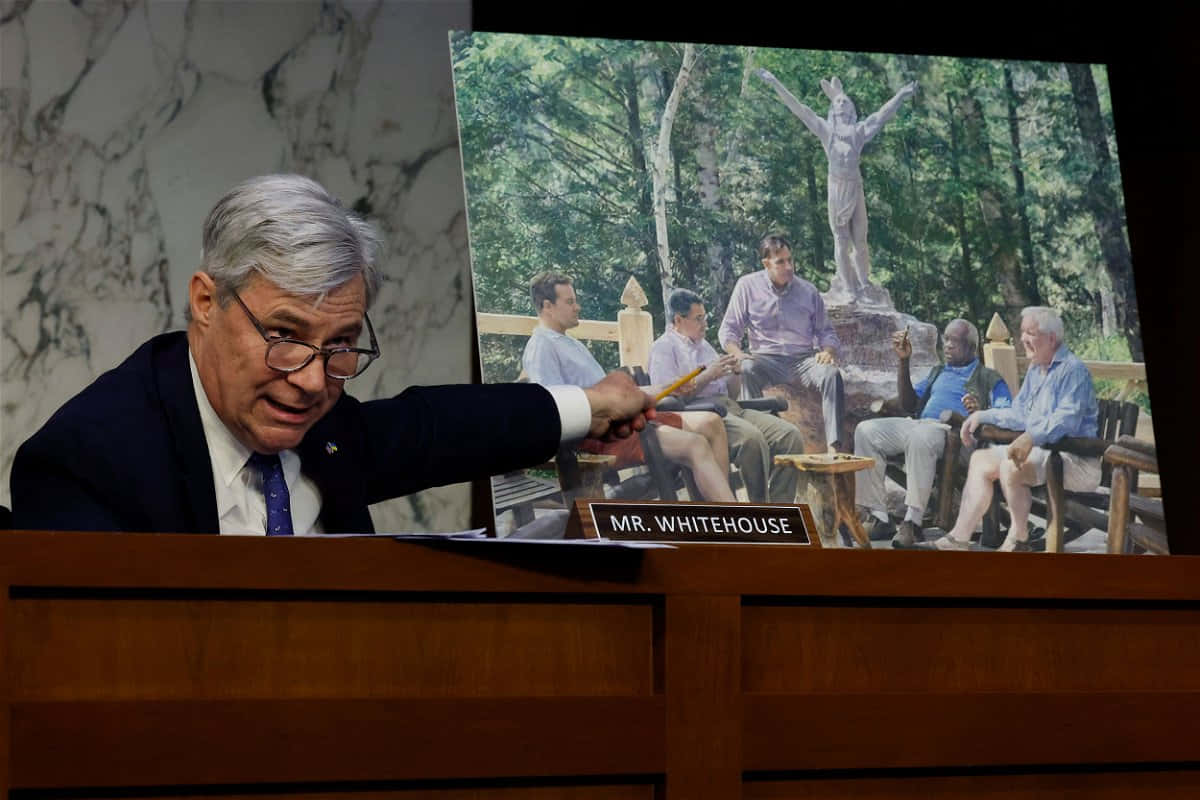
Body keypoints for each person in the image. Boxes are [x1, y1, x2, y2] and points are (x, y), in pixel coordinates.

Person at [10, 174, 653, 534]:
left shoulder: (323, 426)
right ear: (207, 302)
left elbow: (435, 429)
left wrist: (592, 406)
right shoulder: (88, 462)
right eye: (285, 337)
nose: (313, 382)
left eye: (341, 345)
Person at [523, 272, 736, 502]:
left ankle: (716, 511)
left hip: (621, 419)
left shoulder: (569, 342)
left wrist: (661, 389)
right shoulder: (542, 347)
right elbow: (556, 410)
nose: (577, 307)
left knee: (711, 422)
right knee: (695, 444)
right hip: (599, 436)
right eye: (570, 302)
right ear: (547, 306)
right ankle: (726, 518)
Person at [930, 307, 1100, 552]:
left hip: (1075, 461)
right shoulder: (1036, 369)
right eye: (1022, 333)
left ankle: (1018, 539)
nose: (1022, 339)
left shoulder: (1073, 370)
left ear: (1051, 338)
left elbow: (1067, 420)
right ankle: (959, 538)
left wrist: (1031, 436)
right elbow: (1019, 413)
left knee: (1012, 463)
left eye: (1030, 333)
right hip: (1045, 454)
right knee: (980, 459)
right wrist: (981, 415)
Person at [756, 69, 916, 303]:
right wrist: (775, 82)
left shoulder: (858, 132)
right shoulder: (826, 131)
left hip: (855, 187)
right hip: (837, 188)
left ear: (850, 109)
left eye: (845, 101)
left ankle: (863, 283)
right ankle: (848, 287)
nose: (841, 103)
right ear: (833, 108)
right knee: (841, 240)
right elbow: (799, 109)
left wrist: (901, 95)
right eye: (837, 100)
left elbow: (881, 115)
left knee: (860, 240)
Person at [853, 319, 1012, 547]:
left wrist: (982, 412)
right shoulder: (937, 372)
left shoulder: (989, 378)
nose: (946, 345)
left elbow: (1006, 413)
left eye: (954, 341)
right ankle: (880, 517)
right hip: (921, 425)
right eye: (945, 340)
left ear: (971, 347)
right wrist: (903, 361)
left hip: (955, 435)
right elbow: (909, 404)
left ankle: (913, 522)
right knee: (866, 431)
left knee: (922, 436)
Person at [649, 288, 805, 503]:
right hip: (702, 413)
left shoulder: (703, 346)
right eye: (698, 319)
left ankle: (780, 507)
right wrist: (708, 375)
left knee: (790, 435)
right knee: (751, 439)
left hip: (731, 407)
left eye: (704, 318)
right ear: (678, 320)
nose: (705, 324)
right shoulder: (664, 348)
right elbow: (668, 397)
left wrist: (735, 373)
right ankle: (760, 509)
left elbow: (730, 392)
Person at [718, 234, 847, 451]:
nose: (788, 266)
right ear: (766, 264)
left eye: (790, 260)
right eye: (781, 262)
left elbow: (827, 332)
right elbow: (728, 330)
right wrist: (738, 353)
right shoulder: (747, 286)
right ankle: (760, 442)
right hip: (766, 359)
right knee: (747, 368)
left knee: (831, 374)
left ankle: (834, 445)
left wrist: (827, 350)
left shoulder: (808, 291)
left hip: (803, 360)